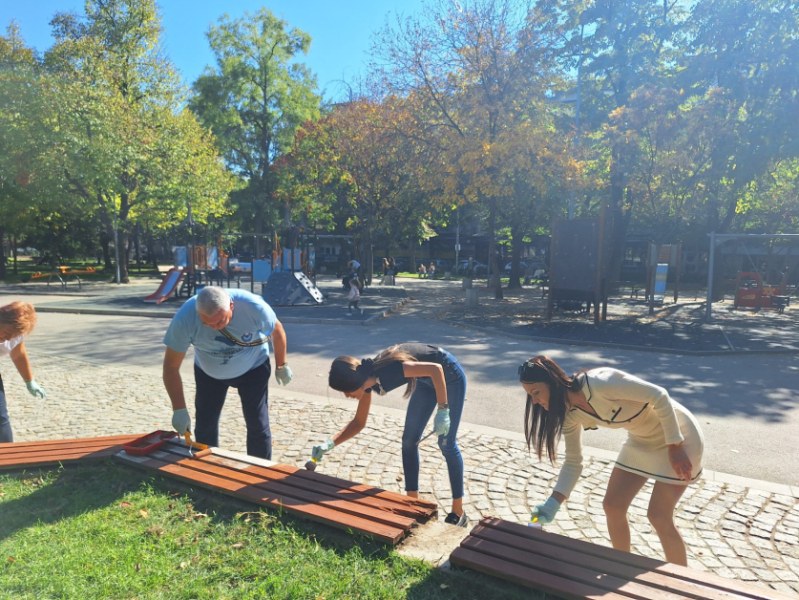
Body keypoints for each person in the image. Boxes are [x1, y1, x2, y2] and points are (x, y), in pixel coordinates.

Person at [518, 355, 703, 565]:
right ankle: (621, 568)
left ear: (552, 382)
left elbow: (659, 396)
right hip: (642, 441)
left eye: (536, 392)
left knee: (659, 516)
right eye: (530, 396)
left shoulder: (599, 383)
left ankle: (681, 585)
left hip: (678, 435)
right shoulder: (570, 415)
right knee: (613, 506)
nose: (534, 401)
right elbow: (573, 462)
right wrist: (552, 504)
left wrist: (675, 446)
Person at [314, 343, 468, 526]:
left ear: (354, 383)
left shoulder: (388, 370)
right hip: (425, 381)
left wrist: (443, 409)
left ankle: (458, 513)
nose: (347, 396)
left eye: (346, 391)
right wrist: (329, 444)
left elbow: (436, 369)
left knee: (446, 443)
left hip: (448, 374)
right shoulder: (368, 382)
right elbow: (358, 423)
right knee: (409, 442)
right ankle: (413, 504)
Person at [163, 287, 292, 459]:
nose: (215, 328)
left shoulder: (253, 306)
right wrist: (179, 409)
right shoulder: (185, 318)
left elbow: (277, 331)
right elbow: (171, 367)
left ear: (232, 306)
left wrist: (281, 365)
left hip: (253, 368)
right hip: (209, 373)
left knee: (258, 425)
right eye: (207, 323)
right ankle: (207, 468)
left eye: (220, 321)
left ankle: (260, 469)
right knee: (205, 426)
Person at [0, 301, 47, 443]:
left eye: (13, 336)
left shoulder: (15, 334)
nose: (7, 338)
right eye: (6, 333)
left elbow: (18, 354)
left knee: (1, 419)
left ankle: (7, 460)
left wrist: (29, 381)